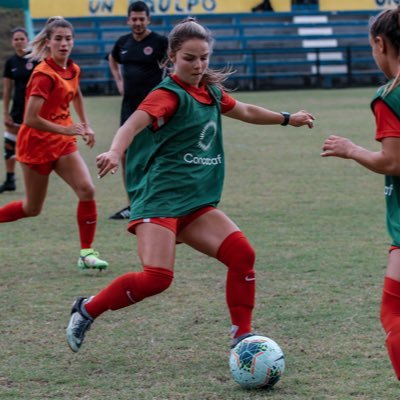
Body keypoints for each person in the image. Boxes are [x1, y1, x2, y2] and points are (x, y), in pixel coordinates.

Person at [66, 17, 314, 353]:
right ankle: (87, 308)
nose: (198, 65)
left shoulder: (209, 91)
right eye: (190, 58)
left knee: (242, 255)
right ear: (171, 58)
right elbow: (132, 124)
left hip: (196, 203)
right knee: (157, 279)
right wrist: (114, 149)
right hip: (160, 200)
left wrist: (287, 118)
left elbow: (245, 110)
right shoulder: (167, 95)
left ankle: (242, 337)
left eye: (204, 58)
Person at [321, 6, 400, 381]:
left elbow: (392, 162)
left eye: (373, 47)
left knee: (394, 315)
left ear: (381, 44)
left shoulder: (390, 95)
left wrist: (351, 149)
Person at [0, 18, 108, 270]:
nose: (64, 43)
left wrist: (86, 124)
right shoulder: (43, 76)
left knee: (87, 190)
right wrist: (66, 128)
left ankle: (86, 253)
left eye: (68, 38)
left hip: (62, 142)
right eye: (58, 39)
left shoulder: (72, 68)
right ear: (48, 42)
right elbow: (29, 118)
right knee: (32, 208)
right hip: (36, 144)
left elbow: (76, 92)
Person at [108, 0, 168, 220]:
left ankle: (157, 200)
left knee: (156, 154)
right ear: (128, 20)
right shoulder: (123, 42)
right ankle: (132, 204)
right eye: (134, 19)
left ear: (148, 19)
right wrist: (118, 81)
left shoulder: (160, 42)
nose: (138, 23)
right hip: (129, 108)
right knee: (124, 155)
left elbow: (174, 62)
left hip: (154, 109)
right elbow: (112, 60)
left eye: (142, 19)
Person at [1, 28, 37, 193]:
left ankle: (37, 179)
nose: (19, 41)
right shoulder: (11, 62)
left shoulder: (37, 59)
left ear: (27, 40)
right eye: (16, 39)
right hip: (17, 110)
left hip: (35, 111)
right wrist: (5, 112)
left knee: (32, 148)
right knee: (9, 144)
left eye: (22, 38)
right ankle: (10, 180)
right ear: (12, 42)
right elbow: (7, 90)